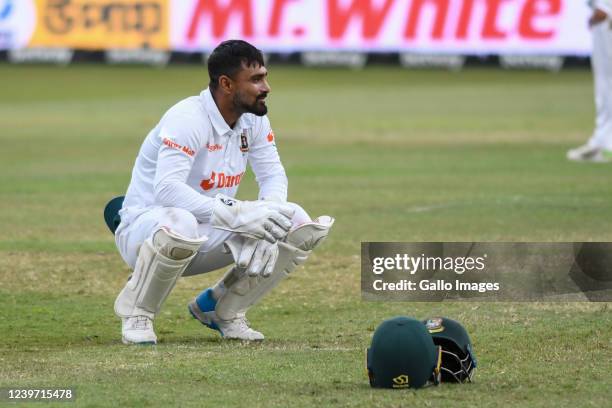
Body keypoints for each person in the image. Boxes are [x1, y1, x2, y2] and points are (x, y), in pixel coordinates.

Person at [112, 40, 334, 344]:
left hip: (210, 229)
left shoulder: (253, 121)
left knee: (294, 222)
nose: (266, 87)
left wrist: (268, 221)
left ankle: (222, 309)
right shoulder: (188, 117)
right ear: (226, 84)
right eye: (256, 80)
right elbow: (166, 189)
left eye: (265, 77)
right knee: (182, 222)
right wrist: (239, 215)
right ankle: (139, 312)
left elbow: (272, 175)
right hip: (146, 231)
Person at [567, 1, 612, 162]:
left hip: (607, 26)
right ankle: (601, 140)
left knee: (607, 84)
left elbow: (604, 9)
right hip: (604, 24)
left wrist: (596, 16)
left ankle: (606, 145)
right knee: (604, 85)